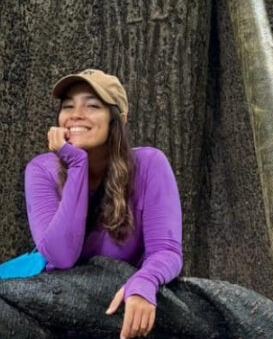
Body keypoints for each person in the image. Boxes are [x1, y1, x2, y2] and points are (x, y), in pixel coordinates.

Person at [25, 69, 183, 339]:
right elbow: (61, 256)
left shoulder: (149, 165)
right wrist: (76, 164)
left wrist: (145, 281)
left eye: (92, 105)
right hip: (58, 306)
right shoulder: (42, 170)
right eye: (68, 106)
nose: (76, 114)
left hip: (117, 310)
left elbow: (167, 250)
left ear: (117, 119)